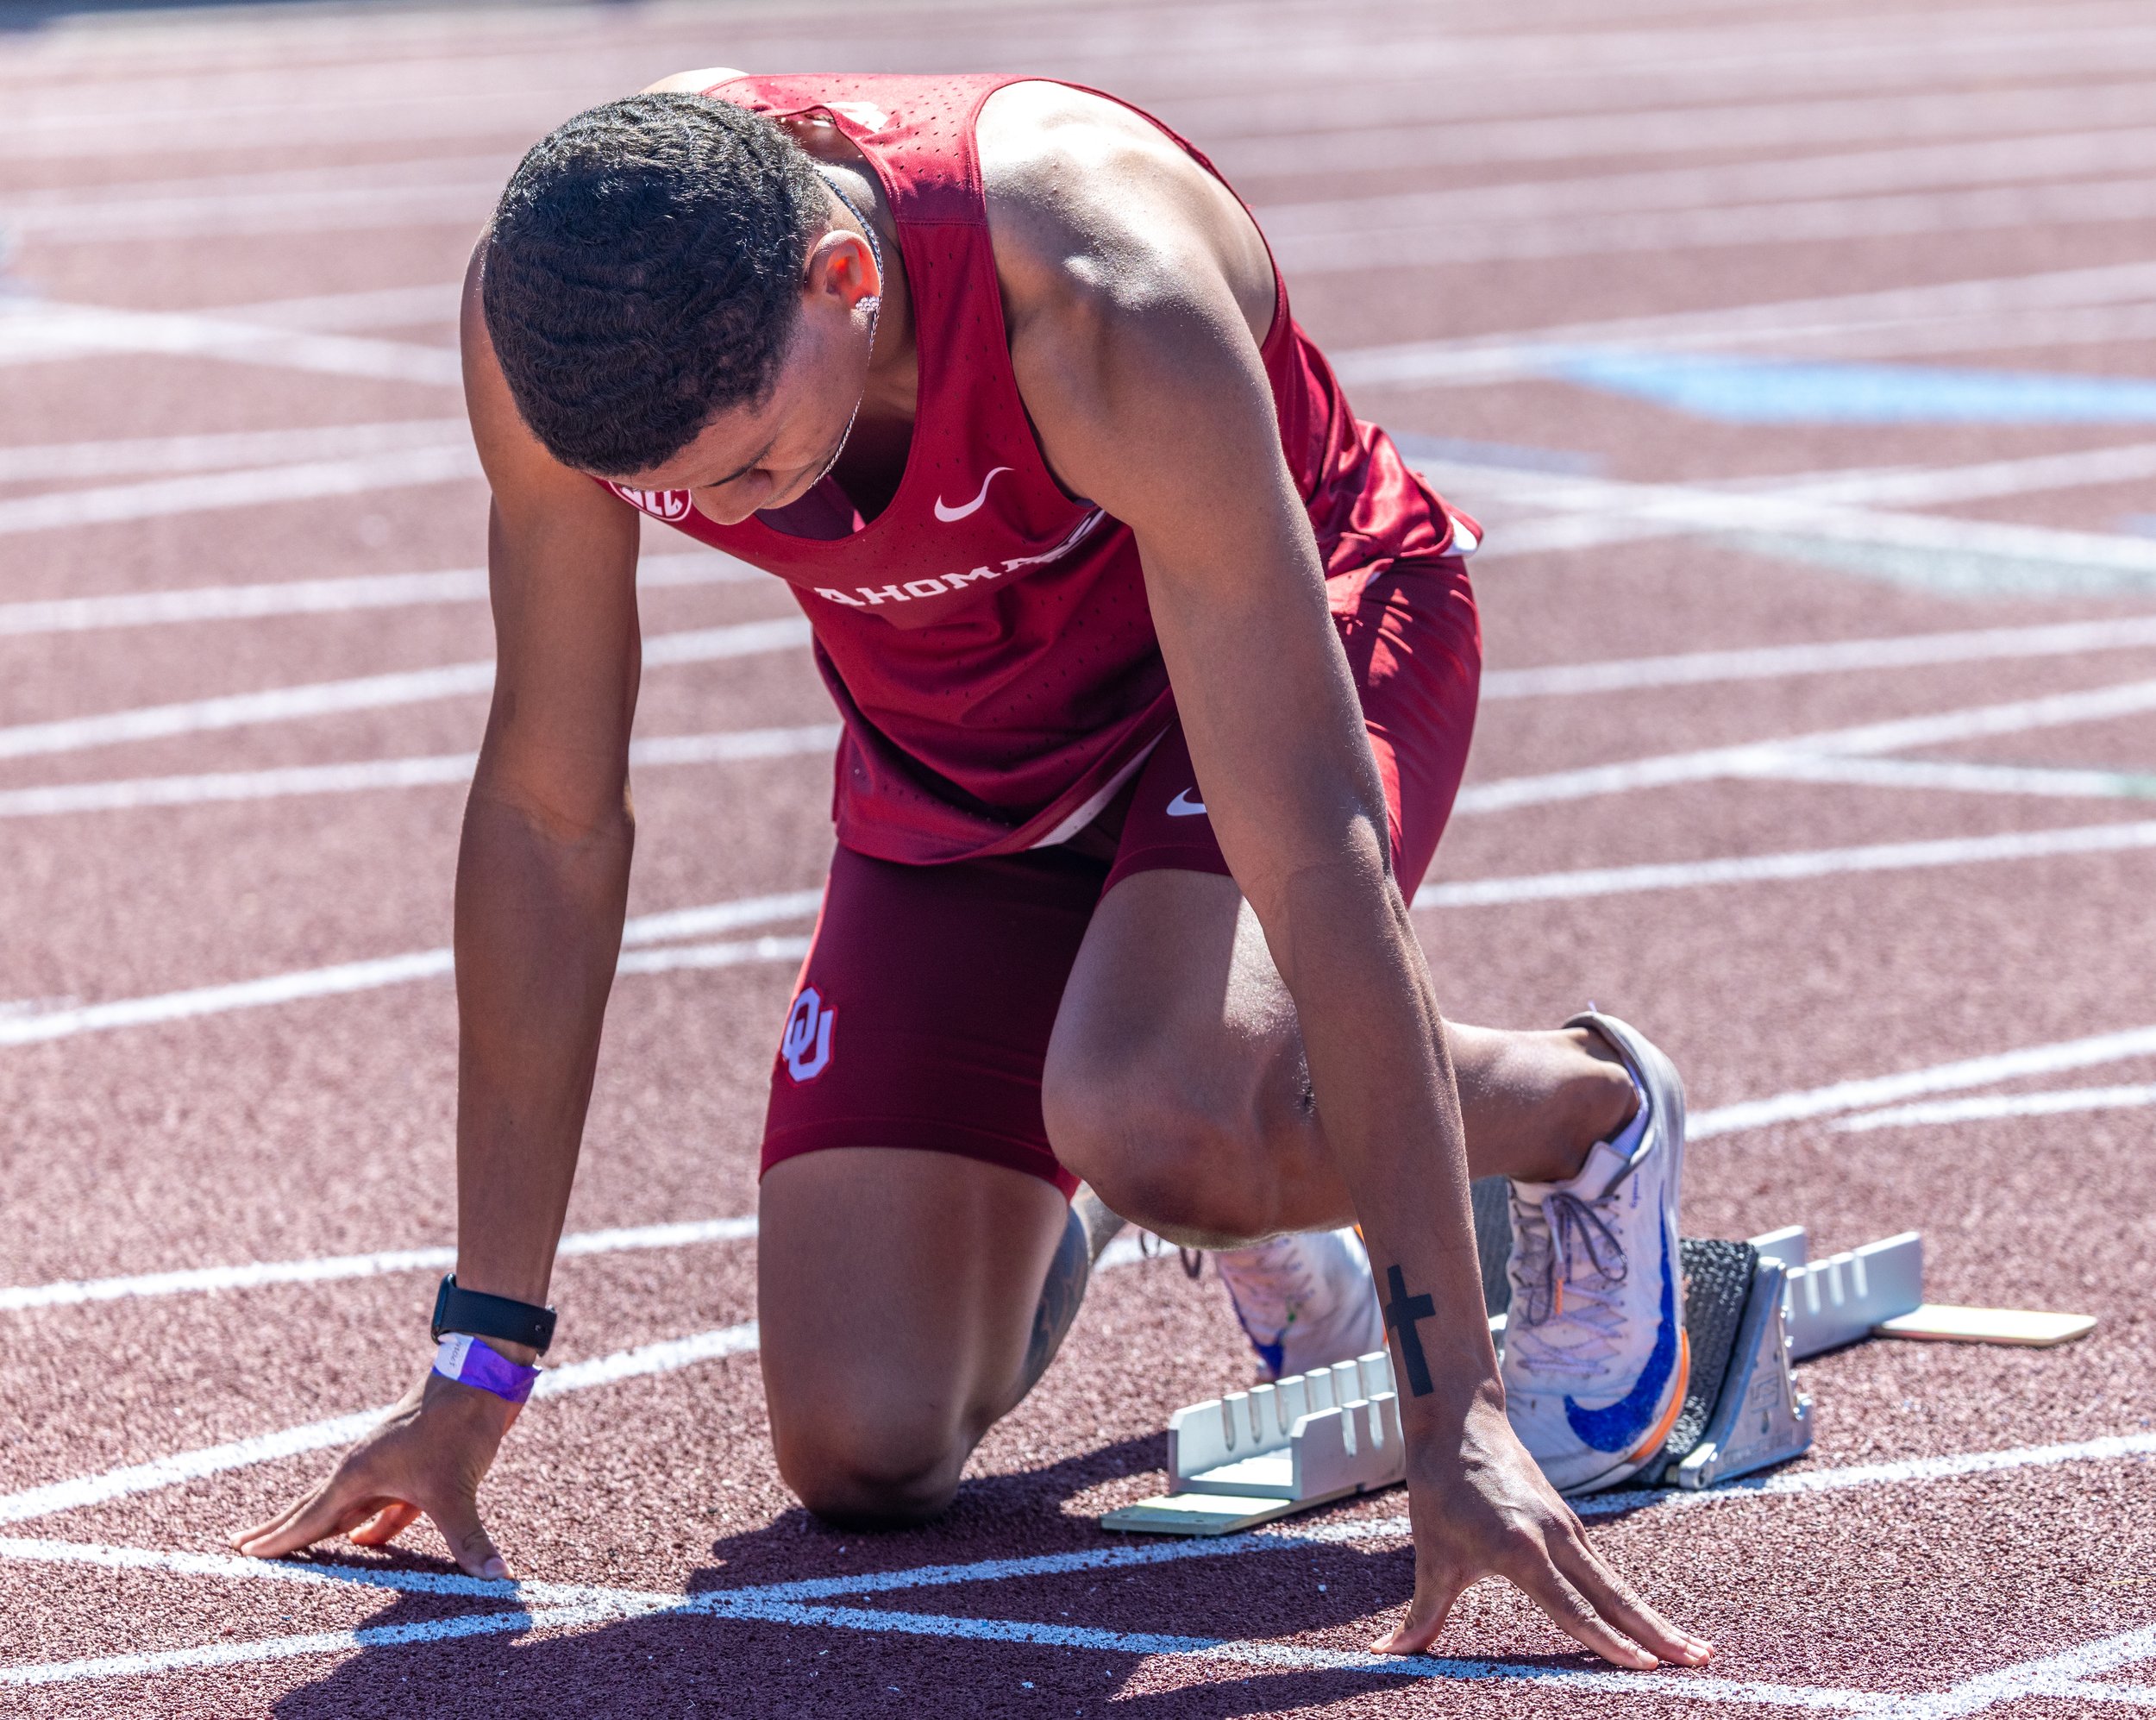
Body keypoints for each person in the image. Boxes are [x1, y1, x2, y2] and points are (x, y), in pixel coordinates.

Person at [233, 72, 1710, 1670]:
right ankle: (1221, 1148)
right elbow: (548, 816)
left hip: (1287, 640)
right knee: (864, 1446)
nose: (729, 517)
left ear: (845, 279)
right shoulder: (555, 318)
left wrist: (1456, 1410)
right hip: (966, 736)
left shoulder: (1099, 303)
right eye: (682, 498)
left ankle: (1588, 1114)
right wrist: (481, 1363)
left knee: (1157, 1113)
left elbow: (1314, 845)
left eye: (751, 468)